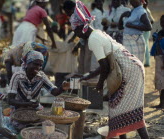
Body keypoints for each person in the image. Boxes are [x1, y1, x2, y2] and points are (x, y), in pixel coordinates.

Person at [69, 1, 149, 138]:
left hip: (129, 71)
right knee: (123, 110)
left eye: (75, 31)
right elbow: (104, 65)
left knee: (125, 111)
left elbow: (105, 66)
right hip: (132, 67)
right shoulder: (98, 33)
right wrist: (86, 77)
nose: (76, 34)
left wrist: (99, 85)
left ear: (82, 28)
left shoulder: (93, 39)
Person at [7, 50, 70, 131]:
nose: (38, 68)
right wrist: (27, 104)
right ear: (27, 63)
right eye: (35, 64)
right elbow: (10, 100)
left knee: (47, 127)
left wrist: (62, 88)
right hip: (18, 110)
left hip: (35, 110)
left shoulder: (41, 77)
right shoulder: (17, 76)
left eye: (40, 65)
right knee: (23, 128)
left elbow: (54, 92)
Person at [150, 15, 164, 108]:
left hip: (162, 61)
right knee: (160, 83)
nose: (162, 23)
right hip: (159, 60)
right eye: (161, 21)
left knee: (162, 83)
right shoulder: (161, 32)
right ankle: (161, 103)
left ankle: (162, 104)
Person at [143, 0, 154, 67]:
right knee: (145, 45)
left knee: (146, 46)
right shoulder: (142, 10)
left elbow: (152, 20)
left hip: (146, 31)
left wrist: (147, 23)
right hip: (143, 30)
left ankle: (147, 62)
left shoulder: (146, 10)